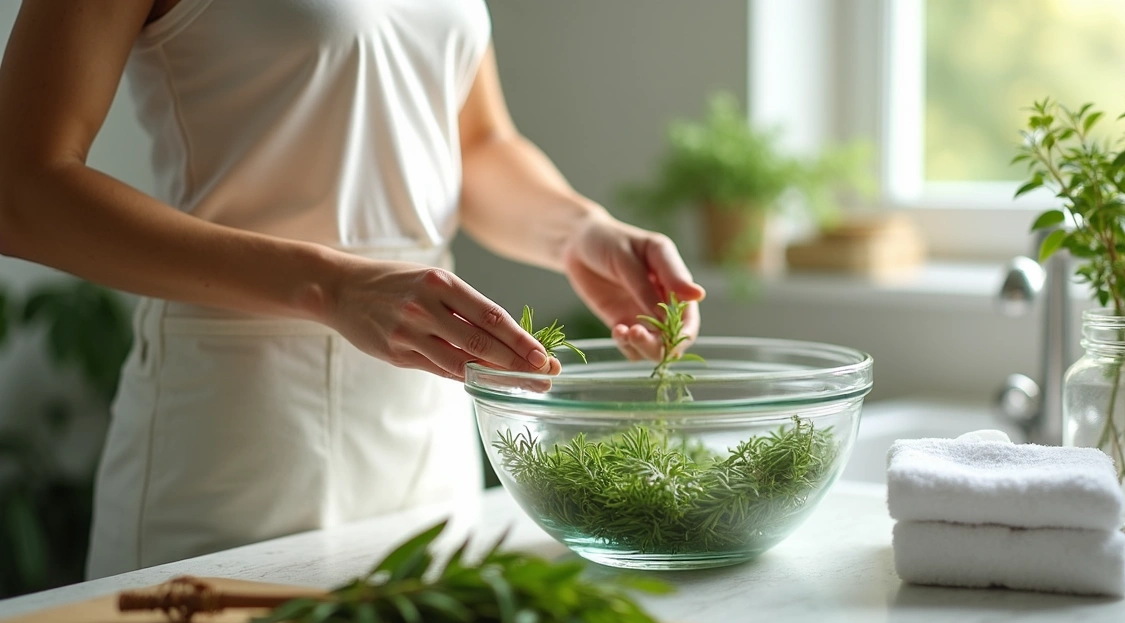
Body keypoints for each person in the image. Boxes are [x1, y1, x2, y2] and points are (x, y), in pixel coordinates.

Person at [0, 0, 704, 580]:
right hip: (237, 435)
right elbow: (21, 186)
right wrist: (331, 286)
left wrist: (579, 231)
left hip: (427, 416)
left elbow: (477, 141)